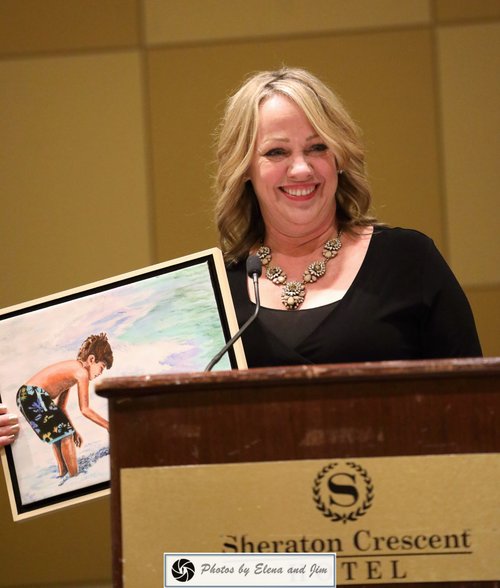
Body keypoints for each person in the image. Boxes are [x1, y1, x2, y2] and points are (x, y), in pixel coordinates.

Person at [215, 67, 482, 367]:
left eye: (318, 147)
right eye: (277, 152)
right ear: (245, 168)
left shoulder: (409, 262)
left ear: (340, 158)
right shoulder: (213, 293)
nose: (301, 169)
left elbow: (474, 402)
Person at [11, 333, 113, 476]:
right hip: (33, 394)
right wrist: (108, 425)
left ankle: (63, 473)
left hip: (26, 395)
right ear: (92, 359)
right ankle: (74, 476)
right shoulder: (81, 372)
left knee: (58, 434)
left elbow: (61, 408)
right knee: (65, 435)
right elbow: (85, 409)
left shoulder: (72, 371)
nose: (101, 373)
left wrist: (73, 430)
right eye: (102, 367)